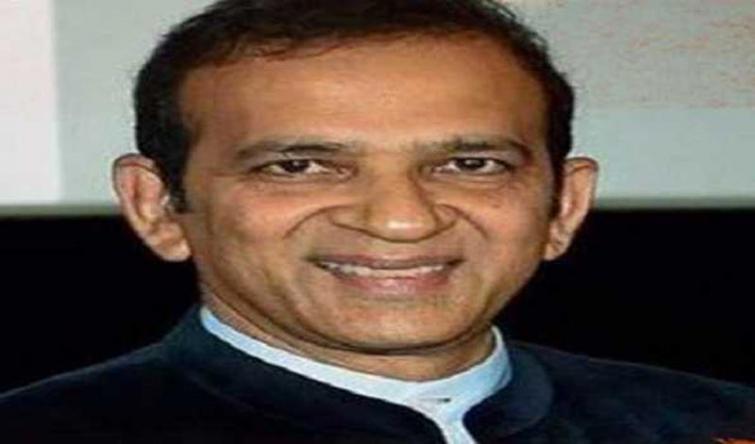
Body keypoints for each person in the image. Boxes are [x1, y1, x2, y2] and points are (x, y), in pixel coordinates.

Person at [1, 0, 753, 442]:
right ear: (157, 206)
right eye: (299, 166)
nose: (401, 220)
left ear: (564, 204)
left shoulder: (713, 423)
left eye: (470, 164)